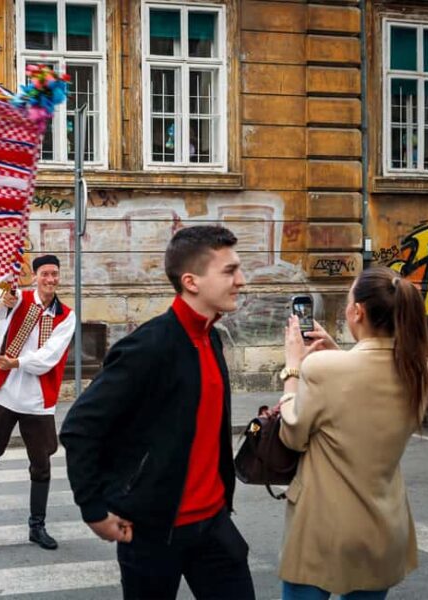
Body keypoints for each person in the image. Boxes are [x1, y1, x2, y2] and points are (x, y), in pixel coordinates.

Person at [60, 226, 254, 599]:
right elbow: (80, 427)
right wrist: (94, 509)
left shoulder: (211, 336)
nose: (241, 281)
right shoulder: (148, 347)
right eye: (229, 271)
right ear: (191, 281)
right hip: (151, 532)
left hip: (213, 526)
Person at [275, 266, 428, 600]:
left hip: (321, 528)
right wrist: (339, 352)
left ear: (357, 311)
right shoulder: (424, 371)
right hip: (383, 527)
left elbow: (292, 434)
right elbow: (370, 376)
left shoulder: (322, 369)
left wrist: (293, 367)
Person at [0, 254, 76, 550]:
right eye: (45, 274)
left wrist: (17, 362)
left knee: (41, 463)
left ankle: (37, 526)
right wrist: (3, 299)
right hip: (4, 392)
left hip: (37, 397)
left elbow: (49, 357)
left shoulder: (66, 315)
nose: (50, 279)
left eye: (55, 274)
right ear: (35, 276)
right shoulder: (17, 298)